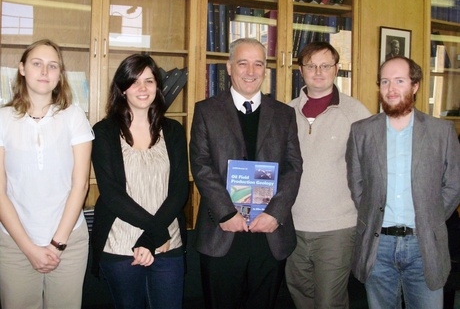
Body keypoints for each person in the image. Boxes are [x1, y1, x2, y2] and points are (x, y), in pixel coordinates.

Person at [190, 38, 303, 309]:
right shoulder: (206, 111)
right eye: (243, 63)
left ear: (266, 70)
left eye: (258, 64)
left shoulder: (284, 114)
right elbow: (201, 165)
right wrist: (227, 213)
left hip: (269, 234)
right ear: (229, 68)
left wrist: (275, 214)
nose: (250, 71)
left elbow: (294, 167)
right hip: (223, 230)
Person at [346, 56, 460, 308]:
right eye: (385, 81)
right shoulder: (361, 131)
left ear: (415, 85)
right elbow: (357, 183)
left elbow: (454, 183)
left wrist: (430, 217)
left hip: (424, 246)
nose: (391, 89)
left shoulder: (442, 132)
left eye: (399, 80)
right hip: (379, 247)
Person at [0, 39, 94, 308]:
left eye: (53, 66)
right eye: (37, 64)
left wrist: (56, 245)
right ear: (22, 69)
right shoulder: (3, 119)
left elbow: (80, 186)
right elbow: (0, 192)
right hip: (15, 243)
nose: (45, 72)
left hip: (69, 242)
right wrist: (30, 249)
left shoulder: (73, 116)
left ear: (60, 74)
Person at [91, 54, 189, 309]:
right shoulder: (103, 132)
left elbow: (179, 191)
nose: (142, 88)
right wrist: (156, 232)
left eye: (149, 81)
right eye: (134, 82)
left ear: (158, 86)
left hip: (169, 244)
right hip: (121, 245)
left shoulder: (174, 130)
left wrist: (151, 238)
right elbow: (112, 194)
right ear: (122, 89)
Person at [285, 41, 371, 308]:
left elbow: (371, 170)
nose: (318, 72)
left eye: (325, 66)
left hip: (337, 229)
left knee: (329, 302)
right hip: (291, 226)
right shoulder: (284, 112)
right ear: (301, 70)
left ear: (336, 70)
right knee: (301, 298)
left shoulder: (356, 112)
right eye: (311, 66)